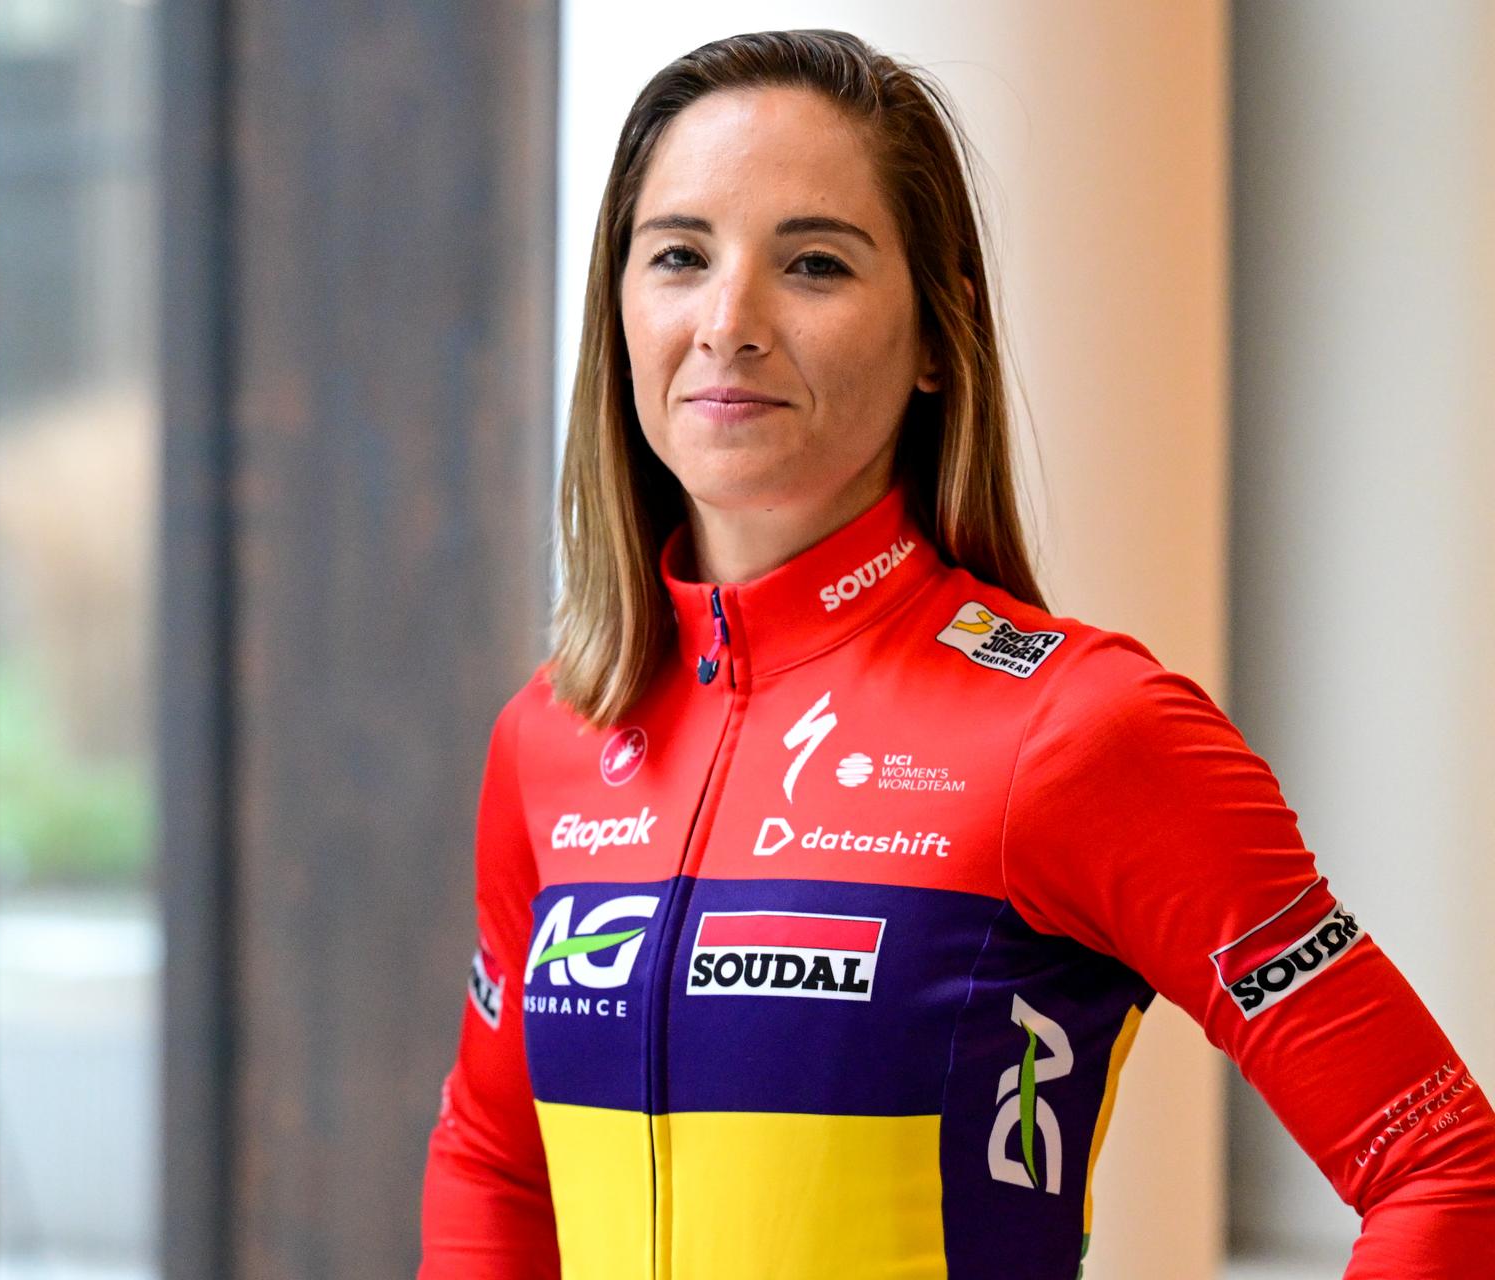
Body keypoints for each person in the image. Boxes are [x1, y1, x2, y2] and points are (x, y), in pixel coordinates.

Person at [417, 28, 1495, 1280]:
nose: (729, 321)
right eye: (678, 256)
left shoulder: (1083, 728)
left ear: (938, 334)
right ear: (621, 309)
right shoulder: (553, 733)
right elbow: (495, 1161)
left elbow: (1442, 1161)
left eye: (815, 263)